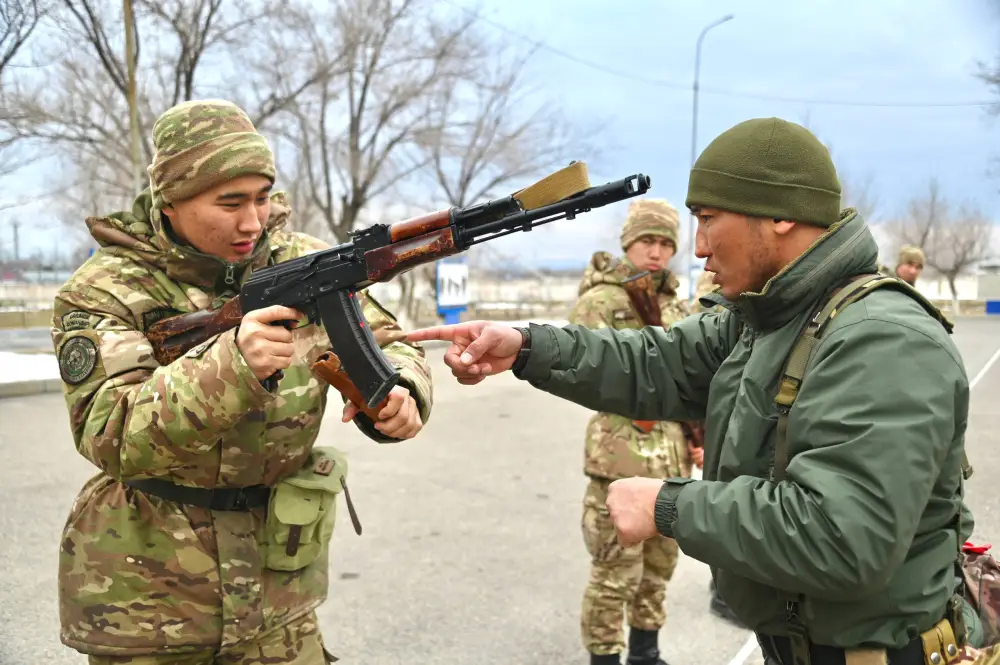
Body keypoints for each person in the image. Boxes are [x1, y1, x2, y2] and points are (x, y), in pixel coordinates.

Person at [407, 117, 981, 665]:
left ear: (778, 216)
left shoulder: (883, 341)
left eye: (708, 220)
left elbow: (842, 537)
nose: (699, 248)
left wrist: (669, 504)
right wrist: (528, 345)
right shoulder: (769, 314)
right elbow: (661, 360)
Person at [49, 99, 433, 664]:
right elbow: (111, 433)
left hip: (280, 590)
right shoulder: (103, 290)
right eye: (229, 203)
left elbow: (391, 342)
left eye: (261, 198)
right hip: (144, 601)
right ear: (171, 201)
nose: (252, 222)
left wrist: (404, 391)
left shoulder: (307, 263)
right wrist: (233, 365)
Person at [567, 198, 700, 665]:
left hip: (672, 466)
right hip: (619, 463)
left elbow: (694, 376)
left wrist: (695, 433)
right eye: (648, 240)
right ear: (628, 243)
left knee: (659, 571)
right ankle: (604, 657)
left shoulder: (677, 305)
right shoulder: (601, 301)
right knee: (613, 576)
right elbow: (583, 373)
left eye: (666, 243)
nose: (657, 252)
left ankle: (646, 653)